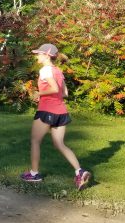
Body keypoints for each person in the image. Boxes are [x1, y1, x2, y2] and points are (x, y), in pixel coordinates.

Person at [21, 43, 92, 191]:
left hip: (47, 110)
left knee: (35, 141)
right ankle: (80, 171)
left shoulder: (45, 70)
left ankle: (34, 174)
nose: (37, 56)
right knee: (59, 144)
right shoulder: (58, 71)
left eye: (39, 54)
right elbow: (64, 93)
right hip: (61, 111)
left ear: (47, 55)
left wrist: (38, 93)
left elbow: (53, 89)